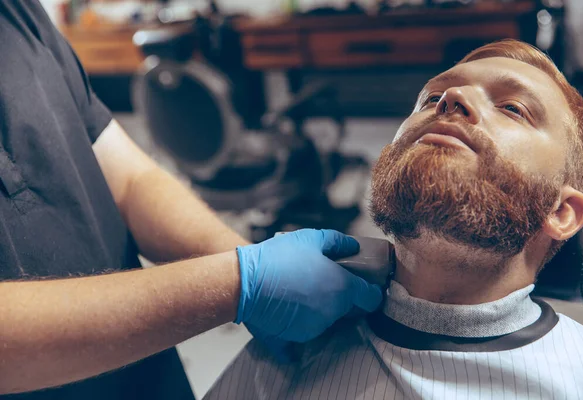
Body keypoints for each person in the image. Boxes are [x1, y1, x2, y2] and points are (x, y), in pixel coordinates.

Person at [0, 2, 383, 398]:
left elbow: (130, 180)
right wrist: (238, 284)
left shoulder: (17, 13)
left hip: (146, 377)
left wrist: (245, 258)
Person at [204, 39, 583, 399]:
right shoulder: (291, 350)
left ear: (561, 212)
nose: (452, 98)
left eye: (513, 108)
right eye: (431, 98)